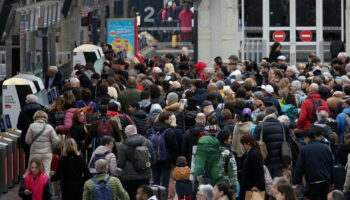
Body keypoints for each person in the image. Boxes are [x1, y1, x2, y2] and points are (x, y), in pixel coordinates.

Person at [293, 126, 334, 200]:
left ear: (307, 138)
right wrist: (332, 180)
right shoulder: (325, 147)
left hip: (312, 181)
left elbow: (299, 167)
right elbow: (331, 165)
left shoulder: (304, 149)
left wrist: (296, 181)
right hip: (325, 180)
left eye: (304, 138)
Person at [118, 125, 155, 200]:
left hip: (128, 178)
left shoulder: (124, 145)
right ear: (136, 131)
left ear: (126, 134)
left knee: (130, 196)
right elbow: (153, 160)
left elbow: (120, 164)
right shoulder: (147, 142)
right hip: (144, 175)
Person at [254, 106, 290, 178]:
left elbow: (255, 142)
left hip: (265, 159)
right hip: (280, 159)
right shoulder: (283, 126)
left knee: (267, 182)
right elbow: (288, 142)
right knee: (278, 183)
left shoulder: (260, 126)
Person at [25, 110, 60, 175]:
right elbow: (56, 140)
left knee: (32, 172)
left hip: (34, 153)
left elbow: (27, 141)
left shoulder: (32, 126)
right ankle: (44, 184)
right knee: (46, 173)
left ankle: (32, 184)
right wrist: (51, 148)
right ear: (45, 117)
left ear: (35, 117)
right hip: (46, 153)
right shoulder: (49, 127)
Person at [150, 111, 178, 189]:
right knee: (165, 185)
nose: (171, 121)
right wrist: (173, 162)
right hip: (166, 160)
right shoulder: (170, 131)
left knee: (155, 184)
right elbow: (174, 147)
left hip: (154, 159)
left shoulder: (151, 129)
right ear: (165, 120)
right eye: (170, 119)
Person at [18, 94, 44, 166]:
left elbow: (19, 126)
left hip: (27, 137)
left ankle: (29, 172)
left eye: (26, 100)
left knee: (28, 156)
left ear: (28, 101)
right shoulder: (42, 110)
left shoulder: (23, 111)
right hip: (40, 136)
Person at [239, 135, 265, 200]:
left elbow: (259, 171)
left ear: (248, 143)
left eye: (243, 144)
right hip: (248, 186)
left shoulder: (254, 154)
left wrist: (257, 186)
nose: (243, 146)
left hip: (252, 187)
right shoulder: (249, 153)